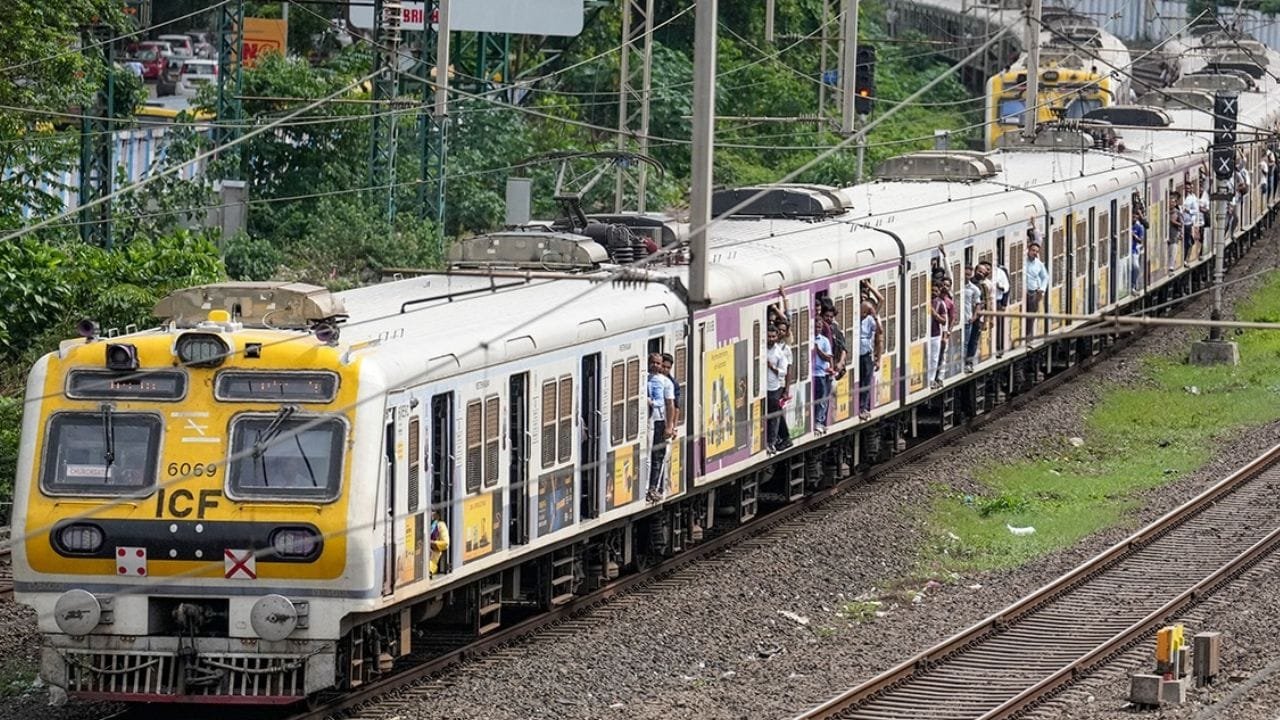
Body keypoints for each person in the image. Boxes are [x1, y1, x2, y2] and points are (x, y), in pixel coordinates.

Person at [646, 353, 675, 502]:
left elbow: (670, 405)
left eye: (658, 363)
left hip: (659, 421)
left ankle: (654, 488)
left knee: (657, 456)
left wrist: (669, 426)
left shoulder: (666, 382)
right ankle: (647, 488)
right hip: (646, 422)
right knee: (647, 456)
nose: (655, 365)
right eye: (653, 362)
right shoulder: (644, 379)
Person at [766, 323, 792, 453]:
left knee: (774, 415)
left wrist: (772, 368)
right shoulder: (762, 349)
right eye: (769, 336)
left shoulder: (779, 352)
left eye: (773, 336)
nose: (771, 339)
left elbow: (784, 371)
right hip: (762, 388)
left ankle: (771, 442)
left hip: (774, 387)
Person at [857, 299, 883, 419]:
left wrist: (875, 316)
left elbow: (880, 331)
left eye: (865, 312)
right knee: (858, 381)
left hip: (866, 354)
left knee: (866, 382)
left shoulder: (870, 320)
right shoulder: (855, 319)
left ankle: (863, 407)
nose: (862, 314)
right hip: (857, 355)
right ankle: (858, 406)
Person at [813, 313, 834, 433]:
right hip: (812, 374)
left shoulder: (824, 340)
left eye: (819, 327)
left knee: (822, 399)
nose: (818, 329)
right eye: (816, 327)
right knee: (815, 399)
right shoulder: (809, 340)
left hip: (821, 373)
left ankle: (819, 421)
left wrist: (818, 350)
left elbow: (828, 357)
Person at [927, 282, 949, 389]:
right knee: (927, 357)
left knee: (934, 358)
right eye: (932, 290)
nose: (934, 293)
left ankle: (931, 379)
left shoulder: (940, 303)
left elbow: (944, 321)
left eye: (936, 291)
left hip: (935, 334)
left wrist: (934, 314)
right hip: (926, 335)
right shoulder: (925, 302)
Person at [963, 269, 985, 372]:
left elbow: (978, 304)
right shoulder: (957, 286)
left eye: (968, 274)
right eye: (965, 274)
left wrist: (974, 317)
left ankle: (967, 363)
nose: (966, 276)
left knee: (969, 342)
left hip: (969, 320)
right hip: (960, 320)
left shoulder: (974, 289)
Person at [660, 352, 681, 426]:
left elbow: (676, 407)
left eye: (668, 368)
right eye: (663, 366)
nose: (665, 370)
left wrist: (674, 427)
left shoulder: (673, 384)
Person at [429, 510, 449, 576]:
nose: (431, 513)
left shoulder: (440, 525)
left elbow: (445, 543)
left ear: (438, 515)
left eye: (433, 511)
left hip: (431, 561)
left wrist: (431, 543)